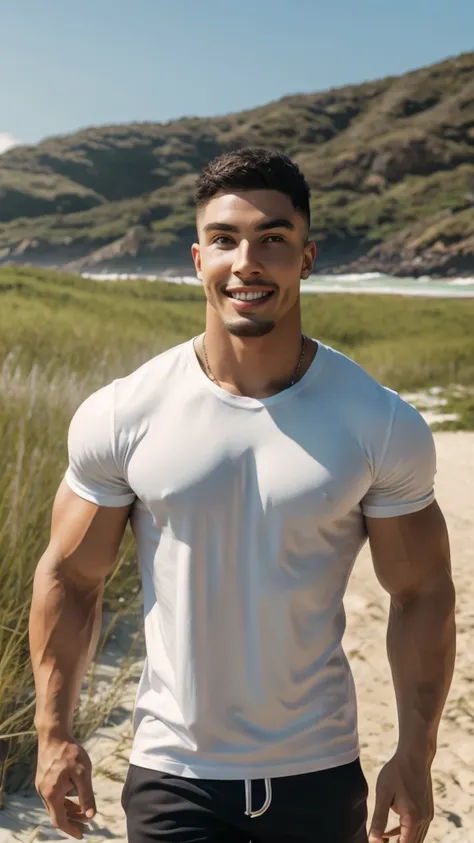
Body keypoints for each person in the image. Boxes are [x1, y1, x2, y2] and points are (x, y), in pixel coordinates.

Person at [29, 147, 456, 843]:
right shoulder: (124, 413)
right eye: (225, 239)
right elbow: (71, 577)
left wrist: (416, 753)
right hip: (174, 772)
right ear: (197, 258)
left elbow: (423, 591)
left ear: (308, 258)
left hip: (318, 771)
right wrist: (53, 733)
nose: (246, 262)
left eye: (273, 241)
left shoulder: (377, 420)